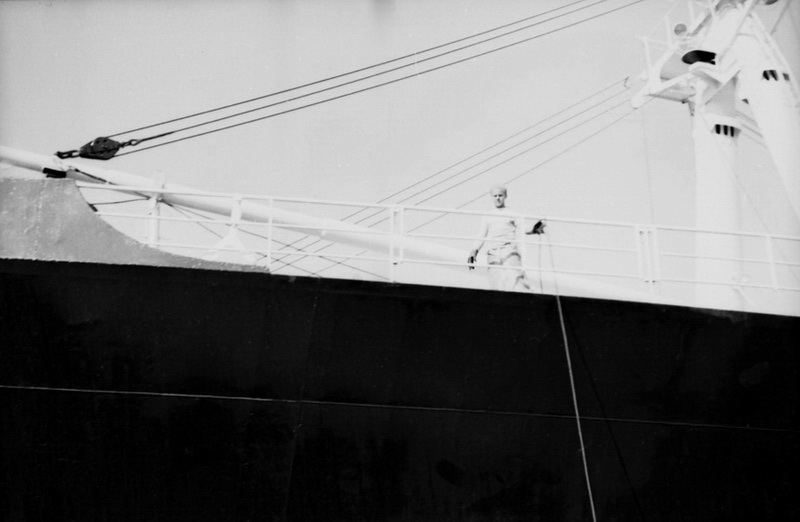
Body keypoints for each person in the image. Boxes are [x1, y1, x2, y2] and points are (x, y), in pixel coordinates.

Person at [467, 186, 546, 291]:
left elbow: (523, 227)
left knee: (516, 278)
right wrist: (474, 251)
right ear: (492, 197)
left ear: (505, 196)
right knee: (495, 281)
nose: (498, 198)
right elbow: (482, 235)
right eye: (495, 196)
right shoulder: (488, 216)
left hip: (509, 249)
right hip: (493, 252)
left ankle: (524, 296)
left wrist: (534, 229)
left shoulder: (512, 213)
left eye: (500, 195)